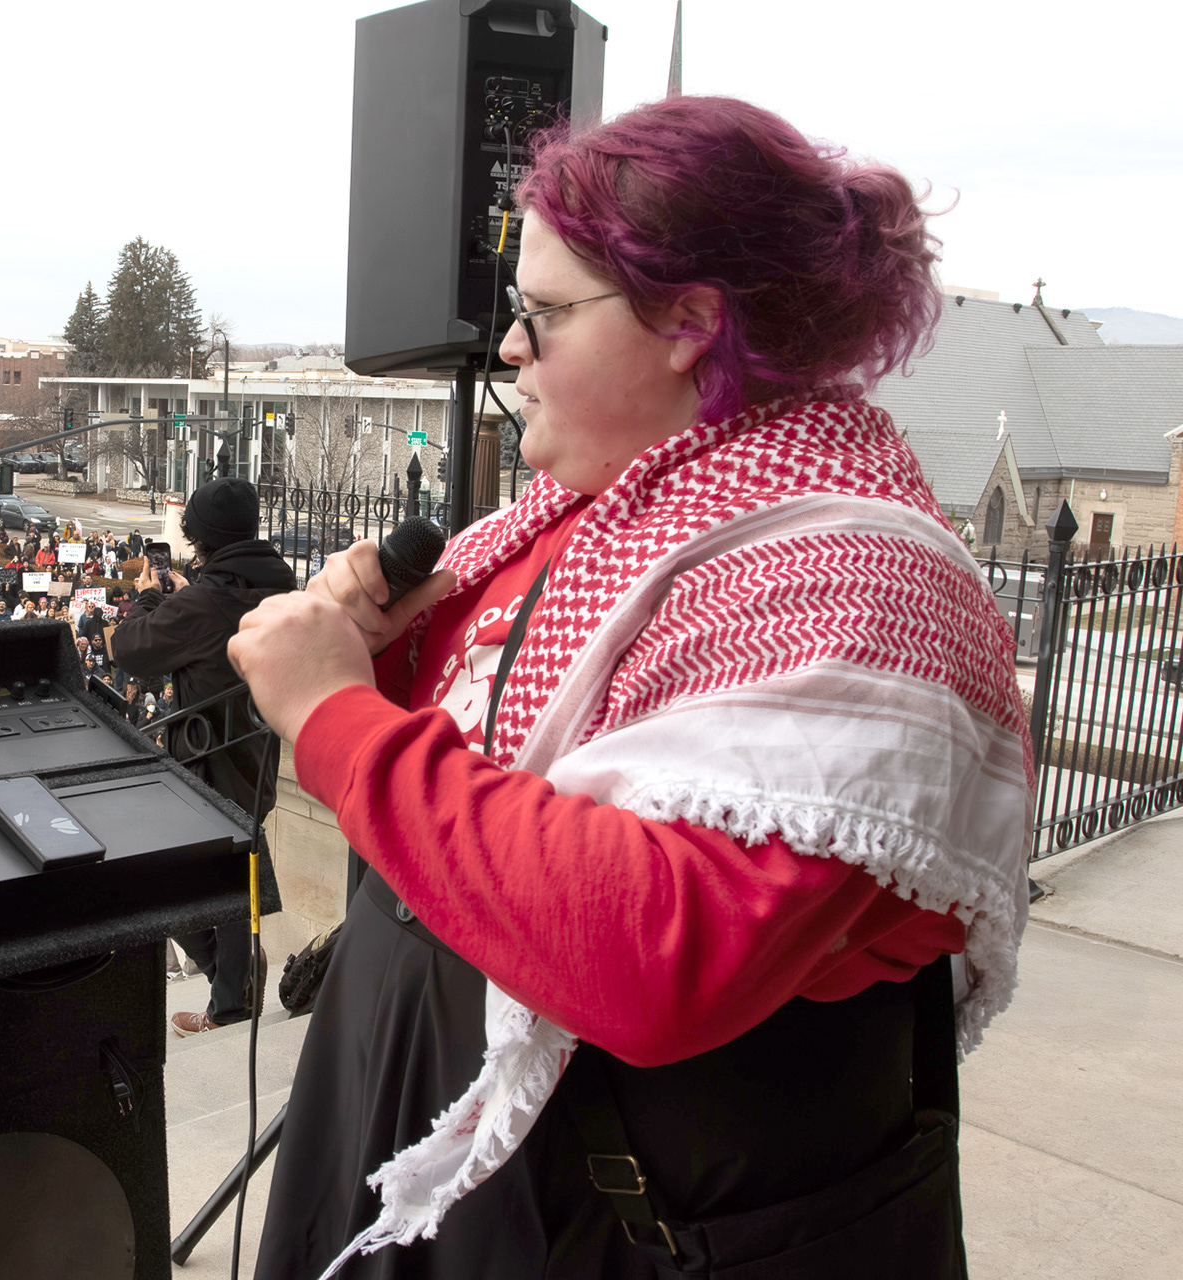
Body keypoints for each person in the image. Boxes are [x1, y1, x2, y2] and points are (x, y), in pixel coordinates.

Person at [229, 97, 1030, 1278]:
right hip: (463, 1121)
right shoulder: (593, 510)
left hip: (647, 1219)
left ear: (690, 322)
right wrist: (381, 661)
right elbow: (502, 762)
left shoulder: (855, 581)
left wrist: (334, 715)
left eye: (546, 313)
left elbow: (649, 952)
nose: (511, 349)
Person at [110, 476, 296, 1037]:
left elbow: (129, 649)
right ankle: (230, 996)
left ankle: (230, 993)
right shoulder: (280, 585)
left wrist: (150, 597)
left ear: (201, 538)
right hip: (256, 755)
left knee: (161, 883)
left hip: (206, 759)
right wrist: (188, 593)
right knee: (231, 878)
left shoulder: (202, 602)